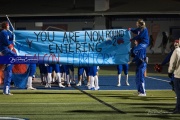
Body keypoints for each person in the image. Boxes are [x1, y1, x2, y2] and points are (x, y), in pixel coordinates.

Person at [0, 22, 17, 95]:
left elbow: (10, 38)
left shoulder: (6, 32)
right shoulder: (3, 32)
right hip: (5, 49)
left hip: (5, 49)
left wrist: (14, 34)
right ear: (6, 26)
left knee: (8, 74)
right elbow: (6, 42)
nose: (9, 26)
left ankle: (6, 91)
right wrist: (10, 44)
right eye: (8, 25)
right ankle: (7, 63)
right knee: (15, 55)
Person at [168, 40, 180, 114]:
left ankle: (178, 108)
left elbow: (172, 63)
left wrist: (170, 71)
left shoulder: (177, 51)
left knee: (178, 93)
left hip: (178, 75)